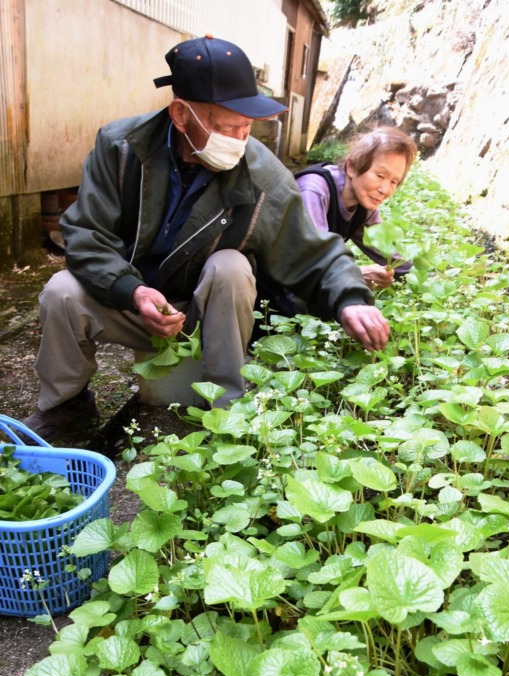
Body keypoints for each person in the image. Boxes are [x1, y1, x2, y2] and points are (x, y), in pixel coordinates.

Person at [24, 36, 390, 442]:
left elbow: (313, 252)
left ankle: (226, 409)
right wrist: (132, 292)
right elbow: (86, 233)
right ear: (181, 115)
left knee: (231, 266)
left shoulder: (263, 176)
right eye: (227, 126)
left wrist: (350, 300)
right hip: (130, 304)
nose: (239, 137)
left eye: (247, 126)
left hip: (202, 312)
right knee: (61, 290)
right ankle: (66, 407)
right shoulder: (121, 148)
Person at [253, 127, 417, 330]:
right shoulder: (314, 190)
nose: (385, 189)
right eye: (380, 175)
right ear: (352, 167)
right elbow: (311, 258)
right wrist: (359, 274)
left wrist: (427, 271)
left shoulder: (363, 205)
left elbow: (394, 256)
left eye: (394, 181)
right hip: (267, 297)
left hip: (302, 291)